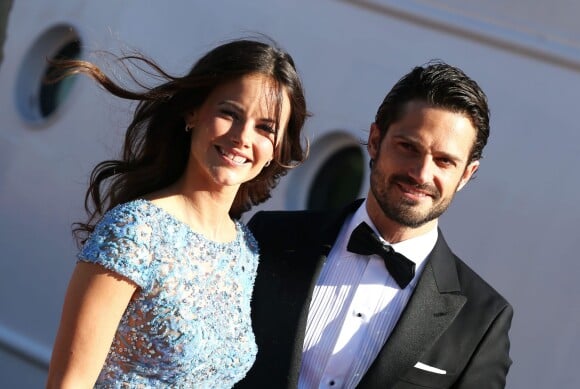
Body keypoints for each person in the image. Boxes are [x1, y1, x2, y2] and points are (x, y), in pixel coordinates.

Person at [46, 38, 308, 388]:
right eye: (229, 113)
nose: (243, 137)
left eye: (265, 128)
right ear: (193, 112)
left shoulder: (245, 250)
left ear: (277, 147)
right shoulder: (135, 230)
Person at [235, 61, 513, 389]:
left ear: (466, 174)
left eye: (444, 161)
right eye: (408, 147)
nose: (421, 174)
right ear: (375, 140)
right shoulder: (272, 237)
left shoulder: (482, 320)